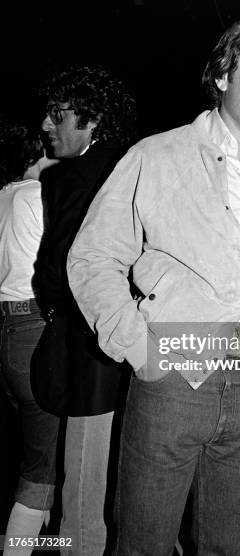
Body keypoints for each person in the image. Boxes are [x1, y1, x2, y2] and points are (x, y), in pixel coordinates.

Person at [67, 13, 240, 555]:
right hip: (170, 380)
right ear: (225, 76)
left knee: (228, 545)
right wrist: (142, 350)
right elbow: (93, 258)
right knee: (143, 543)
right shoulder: (156, 157)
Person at [34, 65, 136, 556]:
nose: (47, 126)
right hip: (138, 334)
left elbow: (55, 267)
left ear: (91, 120)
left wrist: (53, 310)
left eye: (58, 116)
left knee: (83, 469)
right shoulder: (134, 161)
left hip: (90, 340)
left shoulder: (70, 176)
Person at [0, 121, 59, 555]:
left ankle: (51, 542)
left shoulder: (2, 198)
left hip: (5, 330)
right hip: (35, 328)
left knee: (46, 455)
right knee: (40, 465)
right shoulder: (37, 197)